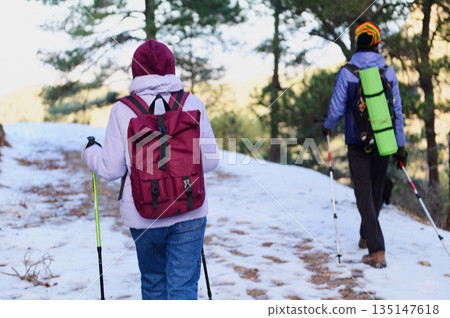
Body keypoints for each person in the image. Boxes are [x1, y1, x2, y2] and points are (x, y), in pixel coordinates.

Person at [82, 39, 219, 299]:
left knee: (154, 284)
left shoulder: (123, 110)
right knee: (183, 289)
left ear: (135, 71)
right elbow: (210, 162)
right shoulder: (192, 104)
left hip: (143, 214)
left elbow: (110, 170)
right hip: (191, 208)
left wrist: (90, 153)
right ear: (171, 68)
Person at [322, 22, 407, 268]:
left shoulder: (347, 72)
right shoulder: (388, 72)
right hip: (384, 139)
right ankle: (365, 236)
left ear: (357, 43)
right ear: (377, 44)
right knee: (376, 190)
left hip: (357, 143)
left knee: (363, 192)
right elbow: (397, 112)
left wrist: (326, 126)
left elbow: (337, 109)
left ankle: (377, 251)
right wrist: (400, 146)